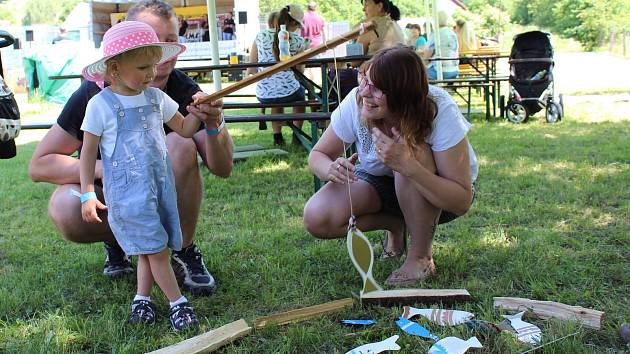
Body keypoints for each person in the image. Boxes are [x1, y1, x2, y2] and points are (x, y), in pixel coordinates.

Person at [29, 0, 234, 296]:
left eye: (169, 40)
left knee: (179, 143)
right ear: (117, 58)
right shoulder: (94, 97)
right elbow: (39, 164)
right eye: (149, 38)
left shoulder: (182, 91)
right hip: (114, 193)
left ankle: (183, 249)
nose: (157, 53)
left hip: (155, 192)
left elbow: (223, 167)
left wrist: (214, 122)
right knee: (65, 207)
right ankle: (120, 242)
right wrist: (105, 170)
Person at [303, 46, 478, 286]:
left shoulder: (438, 108)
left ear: (402, 93)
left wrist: (407, 165)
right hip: (381, 184)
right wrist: (329, 168)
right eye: (364, 80)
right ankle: (394, 223)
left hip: (437, 196)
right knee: (317, 217)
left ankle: (420, 257)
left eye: (376, 88)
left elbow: (461, 201)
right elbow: (318, 155)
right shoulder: (356, 101)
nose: (364, 92)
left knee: (412, 151)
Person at [80, 20, 203, 330]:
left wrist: (201, 114)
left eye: (153, 65)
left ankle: (142, 300)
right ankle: (178, 304)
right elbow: (87, 153)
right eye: (142, 67)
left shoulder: (156, 98)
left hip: (158, 187)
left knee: (150, 246)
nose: (151, 74)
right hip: (127, 192)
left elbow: (184, 129)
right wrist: (87, 193)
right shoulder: (100, 105)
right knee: (156, 249)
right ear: (114, 68)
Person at [247, 4, 306, 146]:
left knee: (275, 97)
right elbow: (300, 72)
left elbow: (252, 69)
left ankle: (277, 137)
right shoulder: (298, 40)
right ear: (293, 23)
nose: (298, 29)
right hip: (289, 92)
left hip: (264, 94)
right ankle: (297, 136)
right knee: (300, 98)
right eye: (298, 25)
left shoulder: (260, 36)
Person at [423, 11, 459, 80]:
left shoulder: (435, 34)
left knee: (416, 73)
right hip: (454, 70)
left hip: (439, 71)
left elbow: (427, 55)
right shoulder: (452, 33)